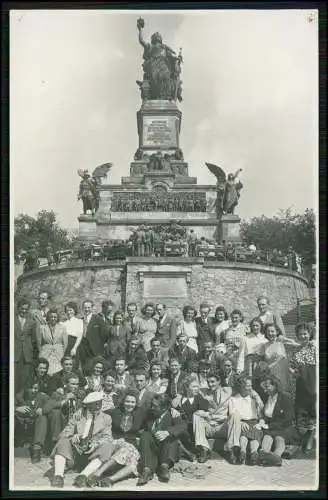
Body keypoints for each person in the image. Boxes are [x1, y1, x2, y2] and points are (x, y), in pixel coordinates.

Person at [50, 392, 113, 488]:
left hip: (92, 455)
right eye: (95, 404)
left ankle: (83, 476)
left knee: (108, 445)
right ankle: (58, 476)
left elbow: (108, 437)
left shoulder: (106, 418)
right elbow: (63, 434)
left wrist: (96, 443)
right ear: (88, 405)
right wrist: (72, 437)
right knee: (63, 441)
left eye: (100, 403)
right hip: (75, 453)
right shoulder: (78, 415)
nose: (98, 406)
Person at [89, 390, 145, 487]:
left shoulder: (141, 413)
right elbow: (98, 413)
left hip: (131, 445)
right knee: (127, 453)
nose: (130, 404)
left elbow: (156, 414)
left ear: (136, 403)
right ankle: (99, 474)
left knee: (133, 463)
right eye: (127, 401)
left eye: (133, 402)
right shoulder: (115, 412)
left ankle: (109, 479)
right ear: (123, 402)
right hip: (115, 442)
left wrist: (172, 410)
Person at [137, 393, 187, 485]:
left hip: (166, 450)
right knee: (145, 435)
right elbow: (137, 415)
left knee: (173, 437)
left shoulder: (172, 414)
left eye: (155, 406)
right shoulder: (149, 413)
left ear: (164, 408)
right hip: (152, 450)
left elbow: (183, 426)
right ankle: (147, 470)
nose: (152, 407)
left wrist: (167, 432)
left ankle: (164, 467)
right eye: (152, 404)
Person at [289, 323, 316, 452]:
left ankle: (311, 437)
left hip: (312, 383)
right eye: (300, 334)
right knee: (300, 411)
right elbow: (291, 366)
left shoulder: (315, 347)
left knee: (312, 410)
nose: (303, 336)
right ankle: (302, 438)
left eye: (305, 333)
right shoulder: (295, 350)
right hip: (300, 384)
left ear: (310, 334)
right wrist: (293, 371)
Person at [258, 375, 295, 467]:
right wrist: (262, 421)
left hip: (283, 427)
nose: (264, 389)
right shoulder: (267, 397)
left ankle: (275, 456)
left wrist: (269, 426)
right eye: (263, 386)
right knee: (267, 437)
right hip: (270, 428)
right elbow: (267, 415)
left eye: (267, 386)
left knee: (279, 438)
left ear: (275, 386)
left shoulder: (285, 397)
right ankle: (265, 454)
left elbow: (288, 419)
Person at [226, 377, 264, 465]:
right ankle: (243, 451)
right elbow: (232, 415)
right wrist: (241, 423)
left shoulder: (253, 398)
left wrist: (257, 397)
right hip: (241, 422)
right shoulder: (233, 399)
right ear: (241, 387)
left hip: (254, 422)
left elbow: (261, 410)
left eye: (251, 385)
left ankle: (253, 452)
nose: (250, 388)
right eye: (248, 386)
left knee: (256, 432)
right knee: (243, 434)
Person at [43, 373, 85, 448]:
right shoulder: (58, 394)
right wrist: (65, 399)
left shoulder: (81, 394)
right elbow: (46, 409)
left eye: (77, 384)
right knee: (56, 412)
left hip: (77, 423)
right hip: (63, 423)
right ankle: (56, 442)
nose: (75, 387)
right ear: (65, 384)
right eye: (72, 384)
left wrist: (80, 410)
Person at [15, 380, 49, 462]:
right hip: (21, 422)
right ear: (26, 389)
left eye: (36, 388)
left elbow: (52, 403)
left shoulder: (43, 397)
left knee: (43, 418)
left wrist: (43, 409)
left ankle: (36, 449)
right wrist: (16, 408)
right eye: (31, 388)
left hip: (35, 423)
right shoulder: (19, 396)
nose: (34, 390)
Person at [179, 377, 210, 460]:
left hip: (195, 428)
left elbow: (207, 414)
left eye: (197, 386)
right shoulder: (180, 399)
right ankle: (188, 453)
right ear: (186, 387)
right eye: (194, 387)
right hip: (181, 427)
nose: (197, 389)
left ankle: (203, 450)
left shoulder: (200, 399)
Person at [36, 308, 68, 377]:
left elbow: (65, 344)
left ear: (57, 318)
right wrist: (42, 353)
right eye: (51, 317)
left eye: (55, 317)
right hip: (45, 354)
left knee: (57, 374)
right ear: (48, 318)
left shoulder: (62, 328)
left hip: (58, 355)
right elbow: (39, 343)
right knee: (46, 373)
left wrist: (61, 352)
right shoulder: (42, 328)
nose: (53, 319)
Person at [262, 323, 293, 393]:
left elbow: (293, 343)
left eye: (272, 331)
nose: (270, 333)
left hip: (282, 373)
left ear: (277, 332)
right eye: (268, 331)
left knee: (283, 393)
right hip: (270, 375)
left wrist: (285, 338)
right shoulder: (265, 345)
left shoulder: (281, 342)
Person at [14, 297, 37, 393]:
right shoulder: (12, 319)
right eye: (22, 308)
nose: (24, 311)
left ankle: (22, 400)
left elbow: (34, 340)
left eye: (26, 309)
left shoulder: (32, 322)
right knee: (15, 378)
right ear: (18, 308)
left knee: (25, 378)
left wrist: (32, 353)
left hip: (27, 355)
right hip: (15, 353)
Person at [78, 300, 107, 370]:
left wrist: (100, 348)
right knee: (85, 368)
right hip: (83, 349)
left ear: (92, 308)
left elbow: (104, 334)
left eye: (88, 307)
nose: (87, 309)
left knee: (95, 368)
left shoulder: (98, 319)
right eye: (85, 307)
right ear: (82, 308)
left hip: (95, 350)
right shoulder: (80, 320)